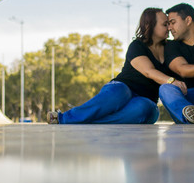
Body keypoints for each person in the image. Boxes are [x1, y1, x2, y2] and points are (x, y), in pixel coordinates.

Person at [49, 7, 185, 124]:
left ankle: (90, 123)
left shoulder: (170, 48)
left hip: (144, 100)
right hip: (122, 88)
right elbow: (148, 71)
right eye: (165, 24)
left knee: (148, 109)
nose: (169, 27)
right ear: (150, 26)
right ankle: (63, 118)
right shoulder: (137, 46)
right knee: (121, 93)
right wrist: (171, 81)